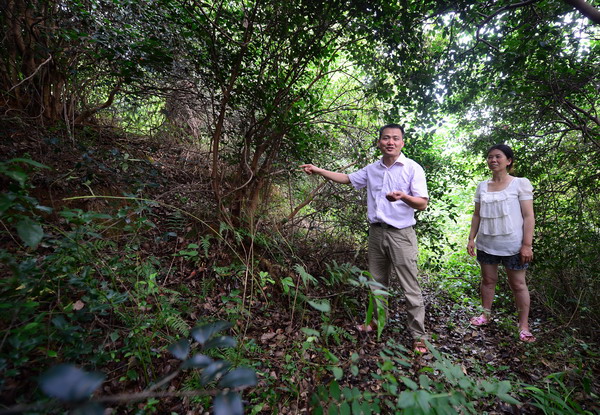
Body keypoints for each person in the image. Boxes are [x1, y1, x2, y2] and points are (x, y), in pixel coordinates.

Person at [300, 123, 429, 353]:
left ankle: (418, 335)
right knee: (376, 283)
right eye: (386, 138)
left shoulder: (412, 168)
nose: (390, 142)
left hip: (401, 235)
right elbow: (348, 178)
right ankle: (378, 322)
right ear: (379, 142)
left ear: (402, 143)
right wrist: (319, 170)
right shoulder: (372, 169)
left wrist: (403, 197)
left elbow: (422, 203)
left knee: (410, 286)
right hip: (376, 233)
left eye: (395, 138)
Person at [466, 144, 536, 343]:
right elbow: (477, 214)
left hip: (513, 245)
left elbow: (528, 216)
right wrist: (472, 238)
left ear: (509, 160)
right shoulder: (482, 186)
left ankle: (523, 326)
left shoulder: (519, 184)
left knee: (518, 284)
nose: (493, 160)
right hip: (487, 243)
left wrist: (527, 244)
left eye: (498, 156)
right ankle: (485, 316)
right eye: (490, 157)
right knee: (488, 281)